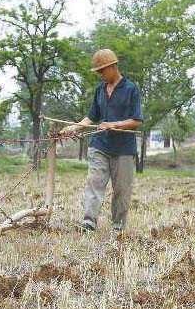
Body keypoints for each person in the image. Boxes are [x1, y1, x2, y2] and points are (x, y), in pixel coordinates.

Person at [59, 49, 143, 233]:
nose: (100, 75)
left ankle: (118, 226)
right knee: (94, 183)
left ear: (113, 66)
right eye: (98, 71)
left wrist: (114, 124)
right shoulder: (100, 89)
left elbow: (136, 121)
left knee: (122, 190)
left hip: (124, 149)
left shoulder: (131, 89)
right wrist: (74, 127)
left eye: (102, 71)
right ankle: (89, 222)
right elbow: (91, 117)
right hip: (100, 146)